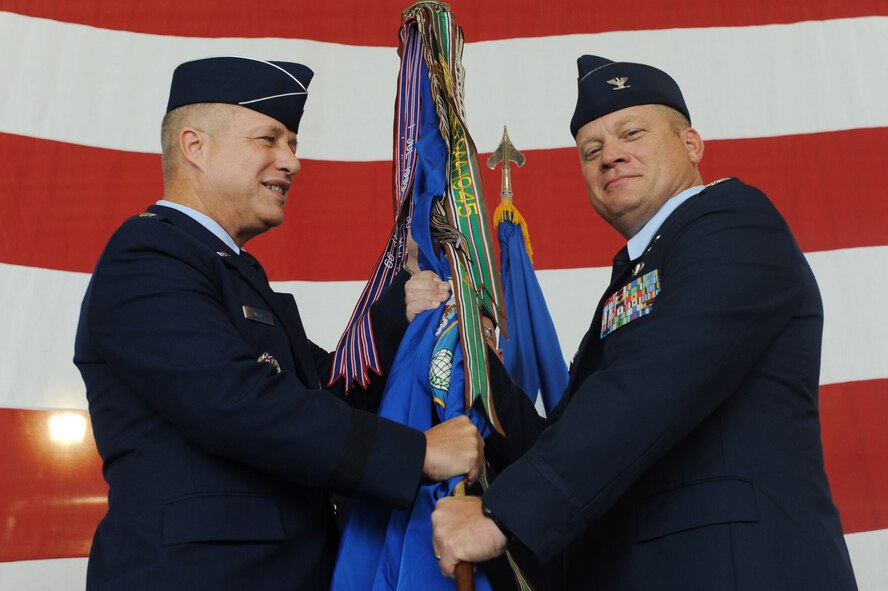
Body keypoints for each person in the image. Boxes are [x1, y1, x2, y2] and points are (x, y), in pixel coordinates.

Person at [431, 55, 858, 590]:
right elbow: (574, 432)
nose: (610, 156)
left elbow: (655, 384)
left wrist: (504, 516)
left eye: (631, 132)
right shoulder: (638, 270)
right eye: (591, 150)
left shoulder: (736, 222)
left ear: (691, 144)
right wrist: (469, 350)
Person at [74, 56, 484, 591]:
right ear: (194, 146)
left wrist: (400, 313)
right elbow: (237, 404)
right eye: (268, 139)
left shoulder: (230, 269)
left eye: (291, 142)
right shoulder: (148, 256)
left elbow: (321, 393)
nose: (291, 161)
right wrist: (418, 454)